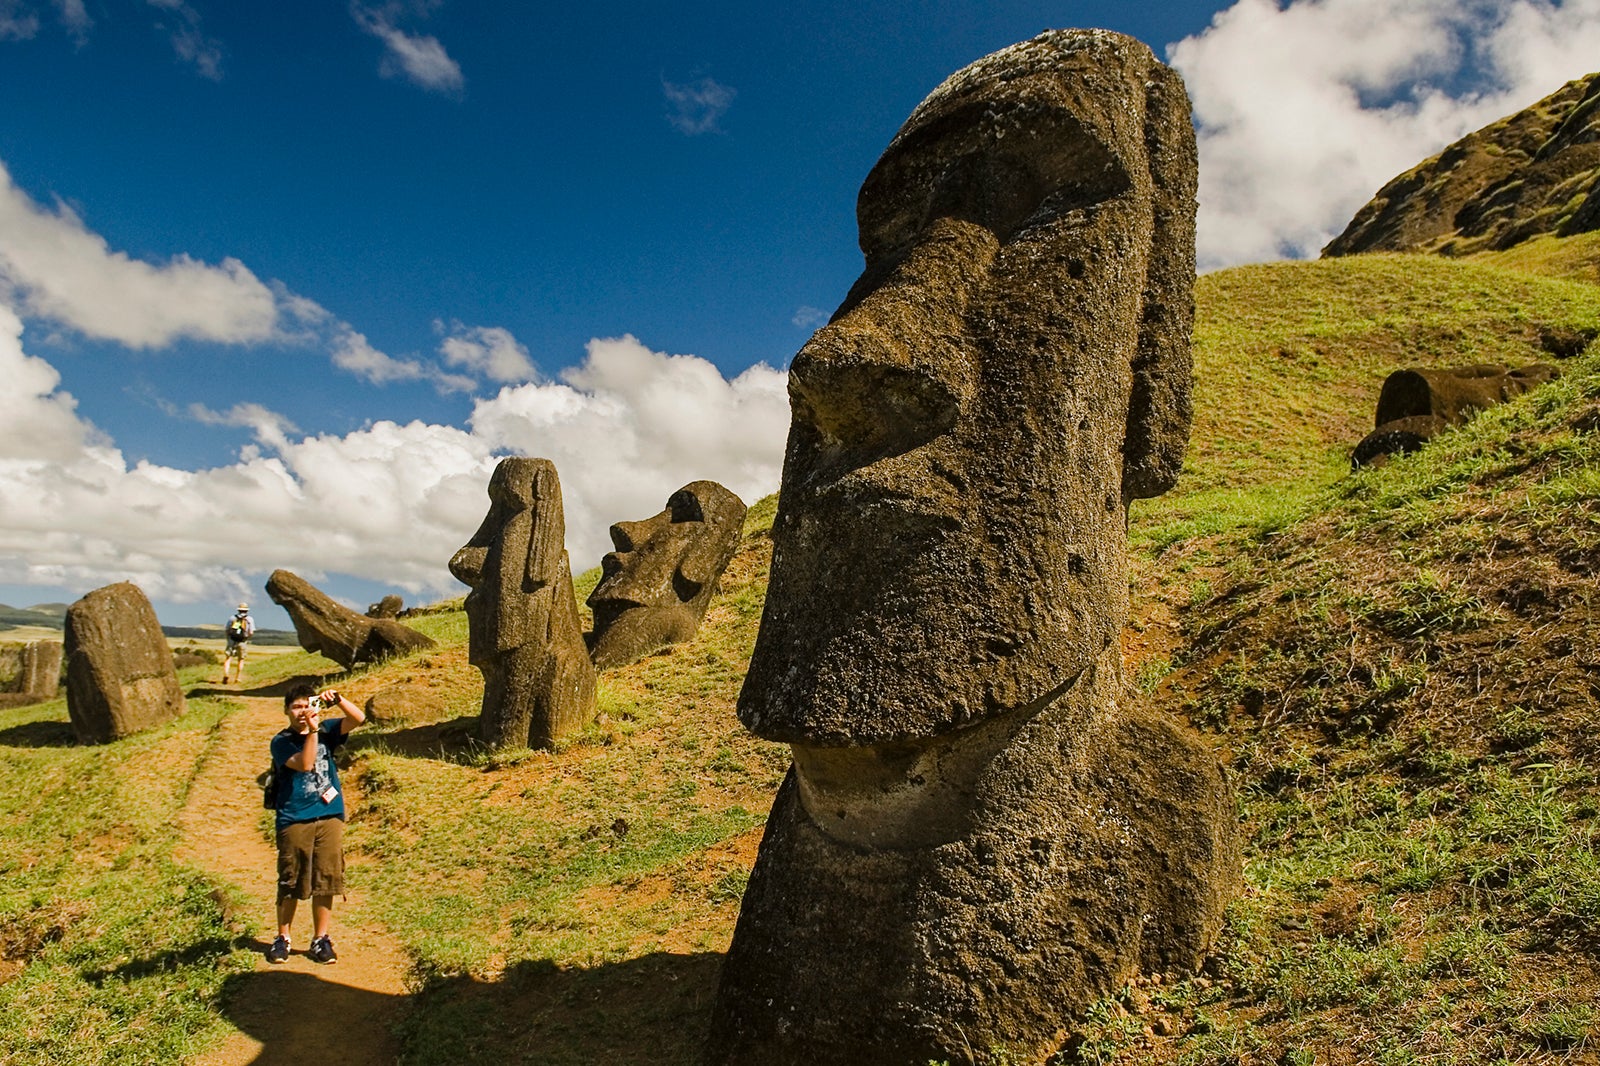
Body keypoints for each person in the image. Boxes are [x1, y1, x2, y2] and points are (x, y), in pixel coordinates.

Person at [265, 682, 365, 964]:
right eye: (295, 707)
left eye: (306, 704)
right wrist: (311, 731)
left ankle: (321, 939)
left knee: (326, 879)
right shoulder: (281, 741)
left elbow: (358, 719)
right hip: (294, 818)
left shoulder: (328, 731)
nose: (302, 711)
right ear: (286, 711)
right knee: (291, 880)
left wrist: (339, 699)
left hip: (329, 815)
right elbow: (306, 763)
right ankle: (283, 937)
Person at [220, 602, 255, 684]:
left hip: (232, 640)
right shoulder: (249, 619)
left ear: (238, 610)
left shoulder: (232, 618)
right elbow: (251, 632)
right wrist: (246, 638)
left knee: (228, 658)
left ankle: (226, 674)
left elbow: (227, 630)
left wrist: (229, 639)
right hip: (242, 641)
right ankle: (237, 677)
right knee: (241, 659)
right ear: (247, 611)